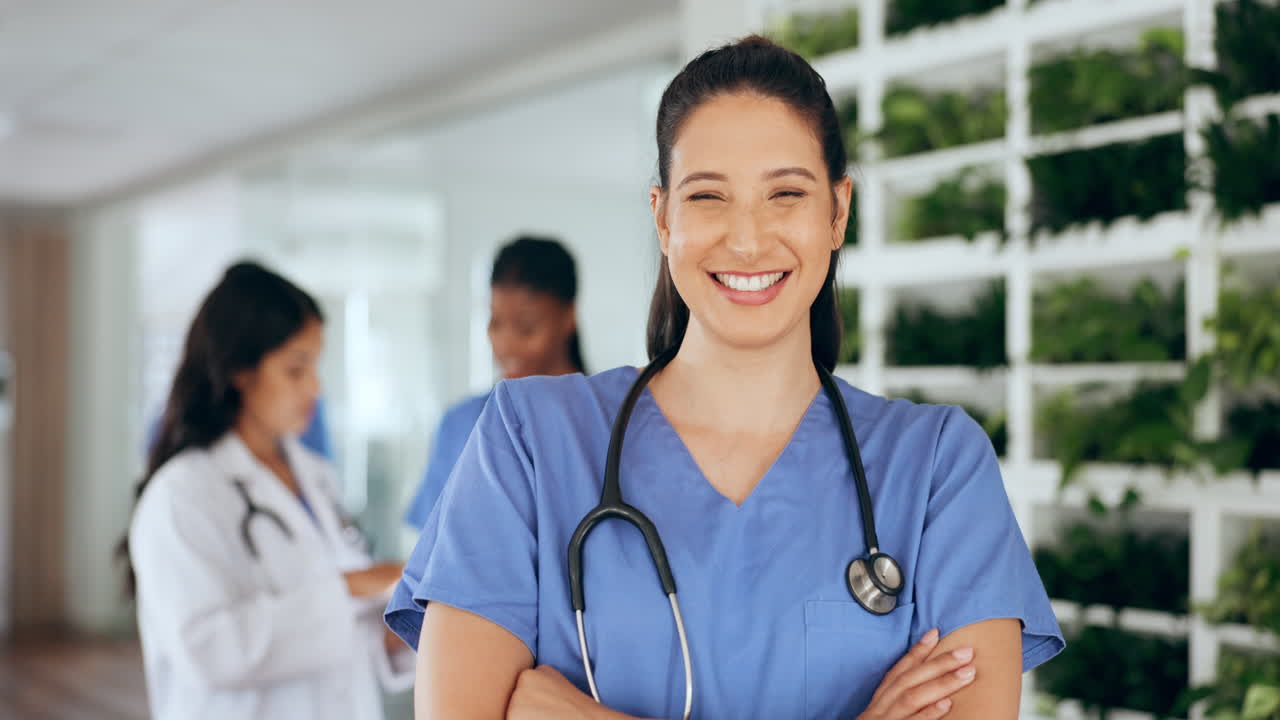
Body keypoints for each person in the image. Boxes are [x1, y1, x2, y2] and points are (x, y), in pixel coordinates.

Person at [385, 36, 1063, 720]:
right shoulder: (528, 441)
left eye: (786, 194)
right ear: (662, 216)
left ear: (837, 212)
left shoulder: (938, 466)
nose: (746, 238)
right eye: (708, 196)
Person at [122, 261, 409, 720]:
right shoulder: (181, 495)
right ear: (240, 370)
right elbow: (208, 649)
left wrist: (408, 620)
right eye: (296, 370)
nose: (314, 388)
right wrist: (352, 586)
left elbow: (344, 631)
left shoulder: (316, 476)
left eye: (315, 367)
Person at [403, 235, 587, 531]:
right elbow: (432, 549)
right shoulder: (460, 424)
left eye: (526, 328)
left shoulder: (608, 420)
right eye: (495, 324)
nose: (506, 345)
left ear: (568, 318)